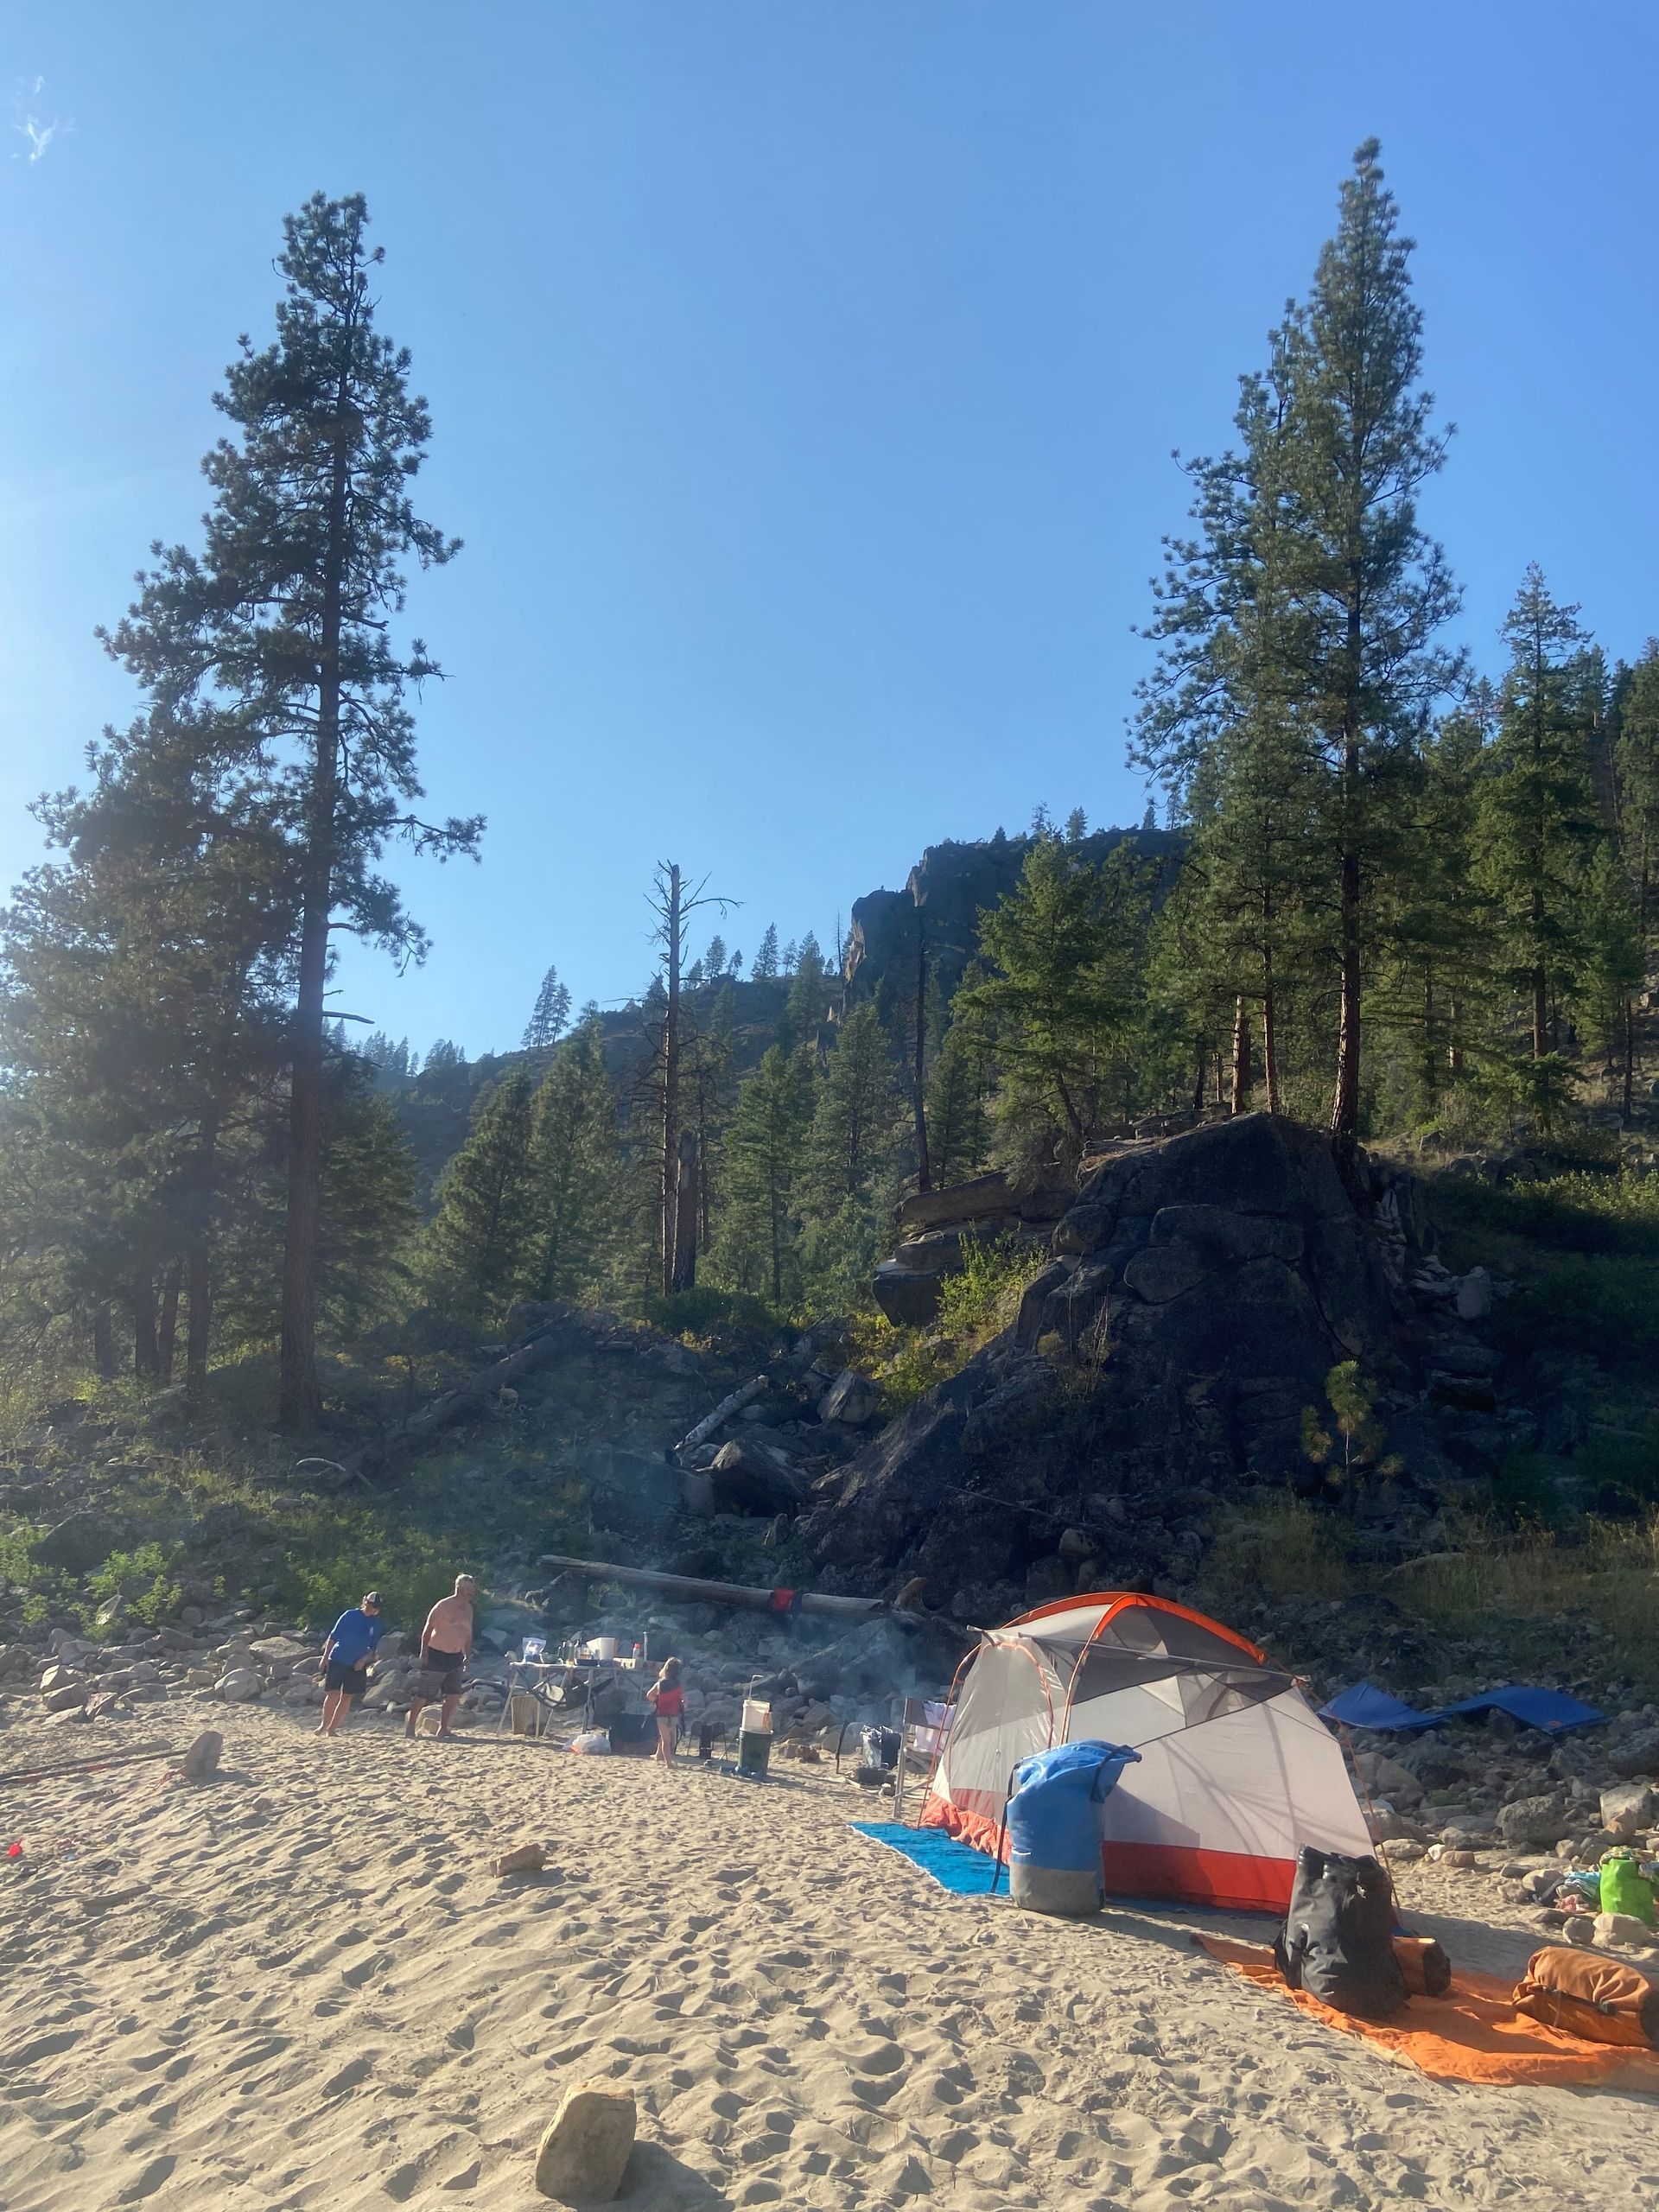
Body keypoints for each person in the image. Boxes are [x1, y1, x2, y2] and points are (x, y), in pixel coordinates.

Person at [406, 1574, 476, 1739]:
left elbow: (467, 1634)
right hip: (437, 1653)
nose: (467, 1592)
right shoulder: (443, 1606)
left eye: (470, 1589)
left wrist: (467, 1654)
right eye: (464, 1588)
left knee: (453, 1694)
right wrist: (424, 1652)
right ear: (457, 1587)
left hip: (455, 1656)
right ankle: (410, 1727)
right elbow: (428, 1629)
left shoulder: (469, 1609)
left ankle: (443, 1728)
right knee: (424, 1693)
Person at [318, 1592, 383, 1737]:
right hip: (338, 1658)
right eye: (373, 1606)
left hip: (356, 1664)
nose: (375, 1609)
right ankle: (324, 1724)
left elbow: (372, 1649)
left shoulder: (375, 1625)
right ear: (366, 1602)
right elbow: (333, 1636)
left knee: (347, 1696)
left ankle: (332, 1729)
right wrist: (325, 1657)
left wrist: (363, 1660)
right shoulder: (349, 1615)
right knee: (333, 1693)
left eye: (377, 1607)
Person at [646, 1656, 686, 1765]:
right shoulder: (679, 1685)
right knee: (667, 1737)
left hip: (662, 1715)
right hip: (674, 1715)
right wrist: (680, 1705)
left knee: (665, 1739)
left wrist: (657, 1700)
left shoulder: (659, 1684)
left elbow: (649, 1695)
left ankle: (668, 1763)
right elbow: (685, 1701)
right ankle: (659, 1756)